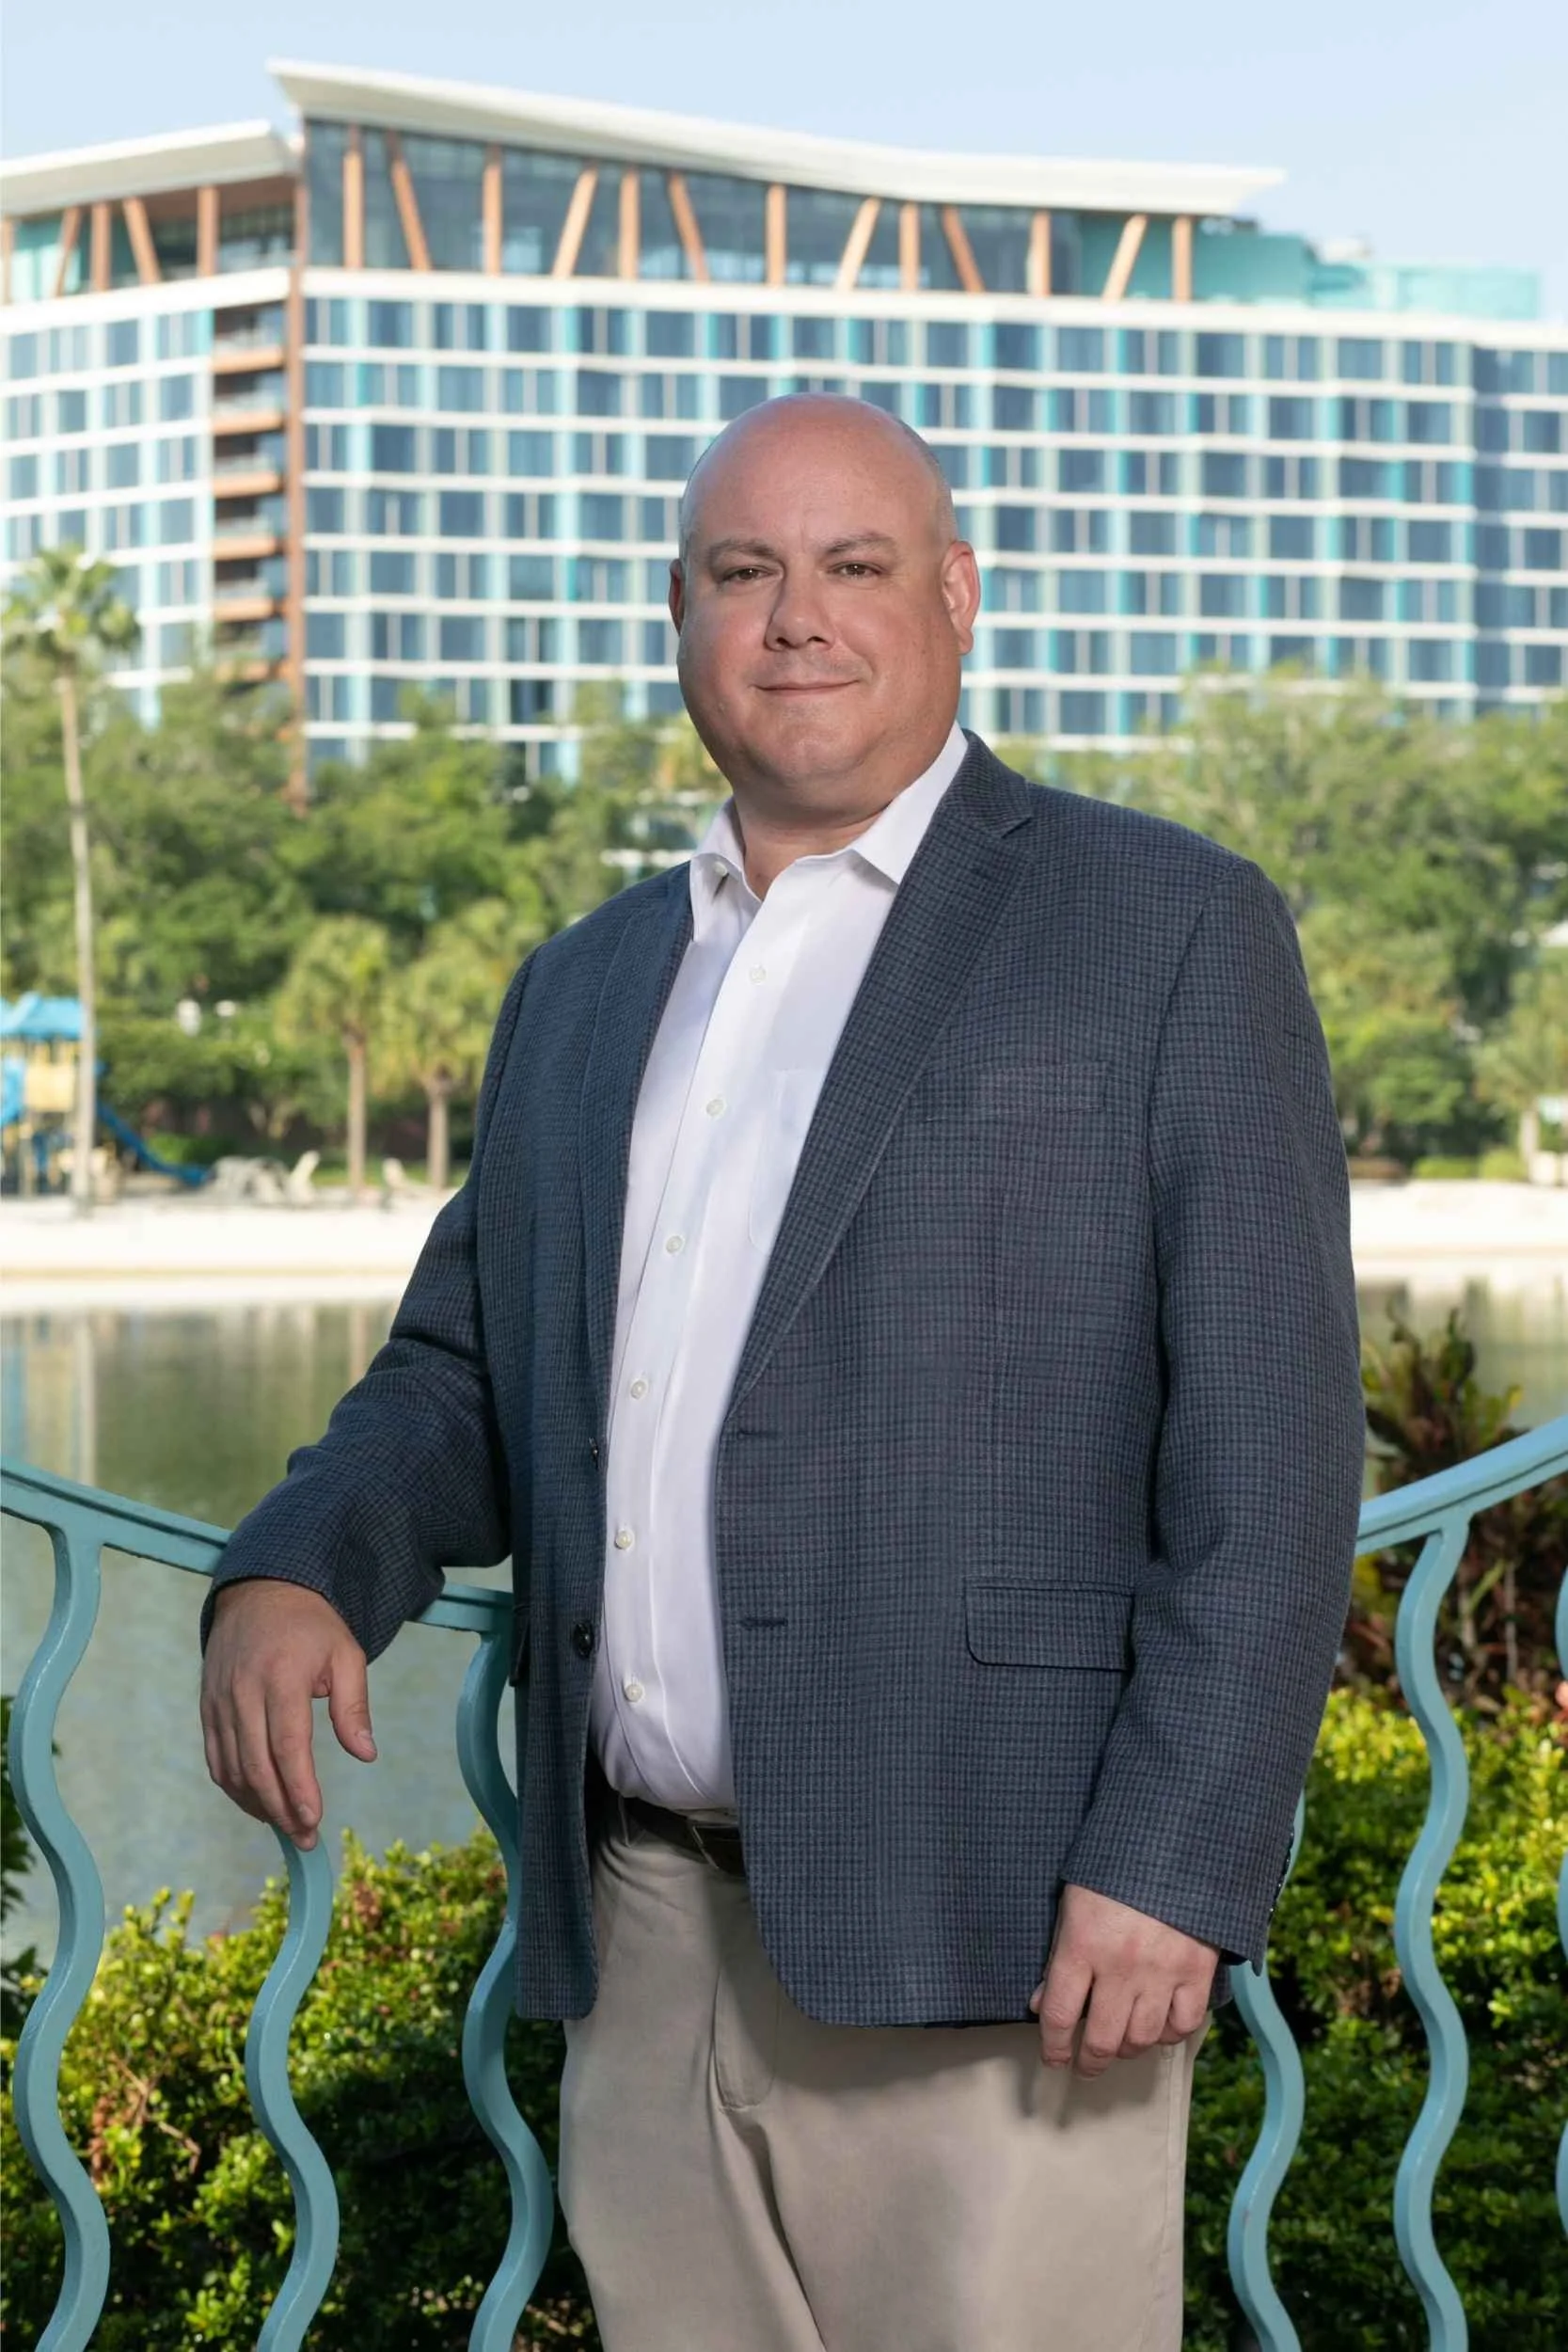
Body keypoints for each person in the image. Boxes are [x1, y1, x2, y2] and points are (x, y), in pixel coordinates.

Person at [200, 394, 1365, 2351]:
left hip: (1001, 1936)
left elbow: (1266, 1443)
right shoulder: (582, 984)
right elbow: (466, 1368)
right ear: (682, 617)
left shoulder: (1165, 931)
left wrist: (1172, 1862)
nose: (794, 617)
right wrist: (299, 1557)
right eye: (744, 573)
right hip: (642, 1944)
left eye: (851, 567)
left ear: (955, 597)